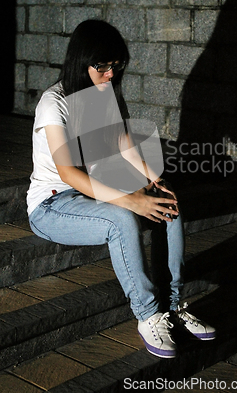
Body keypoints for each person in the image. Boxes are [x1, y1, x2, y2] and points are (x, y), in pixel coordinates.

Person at [27, 19, 215, 359]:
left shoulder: (101, 95)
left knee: (166, 198)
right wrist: (131, 200)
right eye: (102, 66)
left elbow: (122, 141)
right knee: (121, 219)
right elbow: (68, 173)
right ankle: (148, 314)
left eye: (116, 66)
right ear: (80, 61)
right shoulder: (53, 104)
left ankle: (172, 307)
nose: (110, 74)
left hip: (92, 192)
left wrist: (149, 178)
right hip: (52, 205)